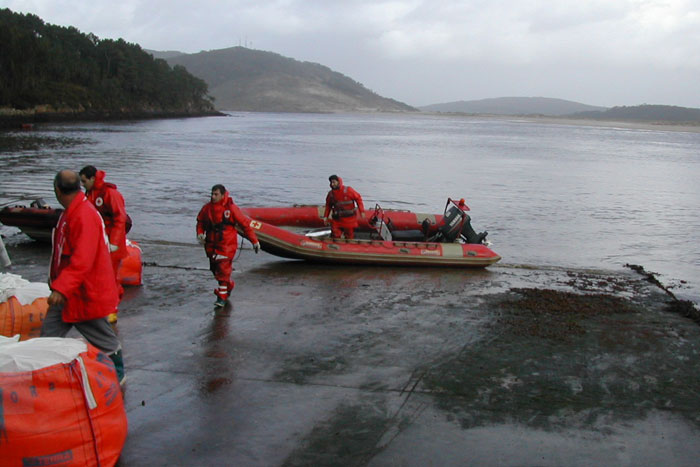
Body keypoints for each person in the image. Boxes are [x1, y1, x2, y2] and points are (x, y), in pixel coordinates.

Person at [42, 170, 125, 384]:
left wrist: (61, 288)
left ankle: (118, 374)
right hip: (71, 291)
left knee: (102, 336)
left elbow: (82, 260)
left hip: (83, 292)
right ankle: (43, 374)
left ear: (57, 190)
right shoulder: (72, 213)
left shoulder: (83, 215)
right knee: (48, 336)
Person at [196, 184, 261, 307]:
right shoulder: (207, 209)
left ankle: (221, 297)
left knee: (223, 270)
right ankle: (228, 285)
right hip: (211, 244)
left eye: (216, 194)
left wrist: (254, 241)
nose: (213, 196)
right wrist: (200, 234)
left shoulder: (231, 208)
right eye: (212, 194)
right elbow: (200, 222)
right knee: (215, 269)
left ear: (222, 194)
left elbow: (244, 225)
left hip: (227, 244)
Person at [79, 165, 128, 323]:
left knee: (110, 278)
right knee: (96, 277)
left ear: (92, 178)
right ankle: (100, 306)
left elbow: (120, 218)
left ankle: (112, 310)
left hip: (111, 243)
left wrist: (114, 242)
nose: (82, 184)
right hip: (98, 241)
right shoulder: (90, 193)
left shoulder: (110, 194)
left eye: (84, 181)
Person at [322, 175, 366, 239]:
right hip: (337, 219)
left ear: (338, 182)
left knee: (349, 234)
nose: (332, 184)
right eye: (331, 182)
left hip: (349, 219)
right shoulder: (331, 194)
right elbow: (328, 206)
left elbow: (358, 199)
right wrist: (325, 217)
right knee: (335, 232)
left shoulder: (348, 190)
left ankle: (350, 245)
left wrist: (362, 211)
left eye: (334, 182)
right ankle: (335, 244)